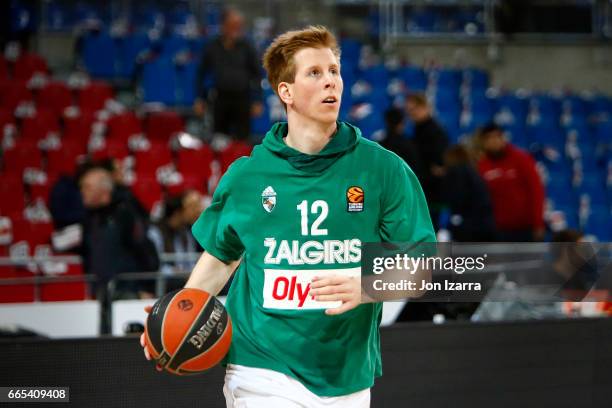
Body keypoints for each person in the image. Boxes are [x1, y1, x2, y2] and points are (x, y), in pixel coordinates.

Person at [141, 26, 435, 407]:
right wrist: (178, 316)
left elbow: (423, 266)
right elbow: (221, 256)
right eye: (315, 73)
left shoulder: (384, 170)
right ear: (286, 92)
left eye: (334, 71)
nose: (330, 81)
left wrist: (365, 284)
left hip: (346, 372)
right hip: (260, 368)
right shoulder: (248, 175)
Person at [79, 165, 159, 299]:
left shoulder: (125, 214)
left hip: (128, 293)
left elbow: (146, 251)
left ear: (104, 190)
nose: (82, 191)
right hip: (100, 294)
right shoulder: (89, 219)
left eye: (87, 187)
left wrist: (146, 287)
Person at [194, 7, 263, 140]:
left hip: (242, 99)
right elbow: (201, 74)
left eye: (239, 26)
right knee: (219, 139)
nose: (237, 29)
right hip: (220, 98)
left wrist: (257, 100)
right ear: (223, 25)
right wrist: (200, 99)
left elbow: (257, 74)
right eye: (233, 25)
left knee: (242, 140)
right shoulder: (212, 46)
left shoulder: (247, 47)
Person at [475, 123, 545, 242]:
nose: (494, 141)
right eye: (489, 138)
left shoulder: (522, 160)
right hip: (498, 230)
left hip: (525, 228)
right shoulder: (482, 166)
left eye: (497, 137)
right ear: (484, 142)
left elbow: (536, 191)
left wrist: (538, 223)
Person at [405, 93, 450, 229]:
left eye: (414, 109)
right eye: (409, 110)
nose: (411, 113)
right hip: (422, 189)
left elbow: (438, 167)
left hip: (431, 191)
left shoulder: (435, 131)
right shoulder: (418, 130)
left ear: (424, 107)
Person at [147, 190, 205, 292]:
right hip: (166, 284)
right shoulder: (156, 232)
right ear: (179, 212)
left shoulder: (187, 233)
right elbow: (154, 266)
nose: (197, 211)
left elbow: (191, 262)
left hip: (186, 281)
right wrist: (177, 272)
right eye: (191, 208)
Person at [441, 144, 496, 242]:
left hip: (469, 226)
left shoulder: (456, 172)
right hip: (484, 224)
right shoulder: (472, 171)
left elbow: (458, 199)